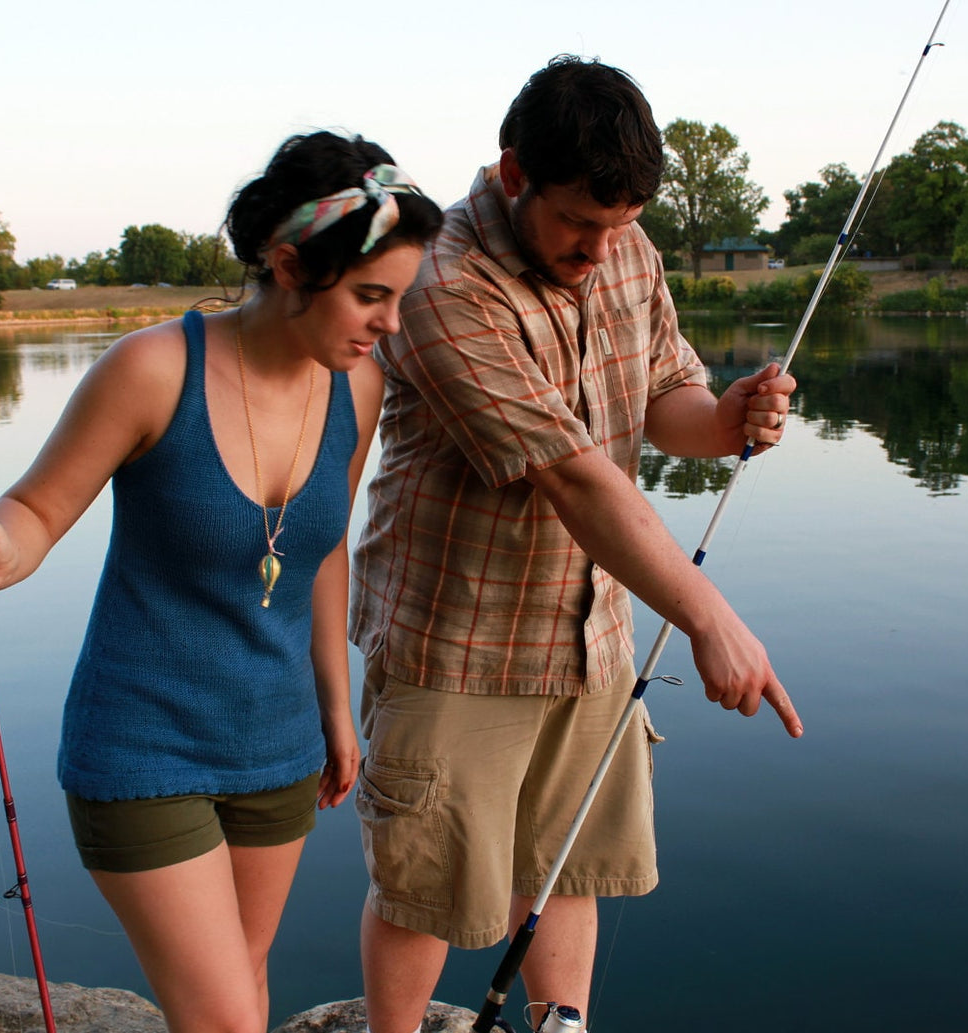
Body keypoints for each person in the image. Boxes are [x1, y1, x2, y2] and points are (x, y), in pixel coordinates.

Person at [0, 131, 442, 1033]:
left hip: (277, 746)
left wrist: (335, 703)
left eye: (399, 299)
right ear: (289, 265)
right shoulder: (154, 368)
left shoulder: (357, 390)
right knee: (223, 1018)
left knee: (244, 983)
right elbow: (37, 512)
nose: (389, 324)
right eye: (371, 296)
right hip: (141, 748)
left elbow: (321, 552)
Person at [349, 56, 802, 1033]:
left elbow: (659, 398)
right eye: (579, 225)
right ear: (513, 175)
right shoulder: (440, 280)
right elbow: (567, 474)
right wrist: (707, 617)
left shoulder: (621, 248)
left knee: (564, 867)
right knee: (421, 890)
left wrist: (722, 421)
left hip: (589, 637)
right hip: (453, 645)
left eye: (621, 225)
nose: (601, 249)